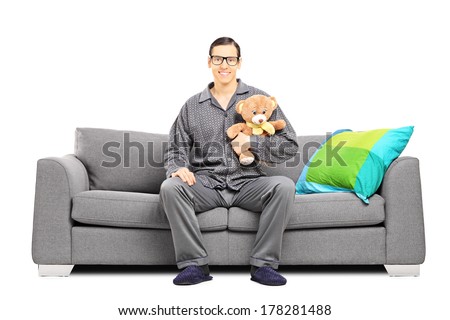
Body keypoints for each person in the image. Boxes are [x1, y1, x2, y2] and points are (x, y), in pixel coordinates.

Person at [161, 37, 298, 286]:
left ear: (239, 63)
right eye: (218, 59)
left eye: (230, 59)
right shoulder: (192, 106)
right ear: (209, 62)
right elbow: (175, 147)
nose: (224, 65)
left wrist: (251, 145)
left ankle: (263, 265)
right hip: (206, 183)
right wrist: (177, 168)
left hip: (249, 182)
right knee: (170, 187)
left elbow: (290, 146)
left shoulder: (260, 100)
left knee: (284, 186)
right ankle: (195, 265)